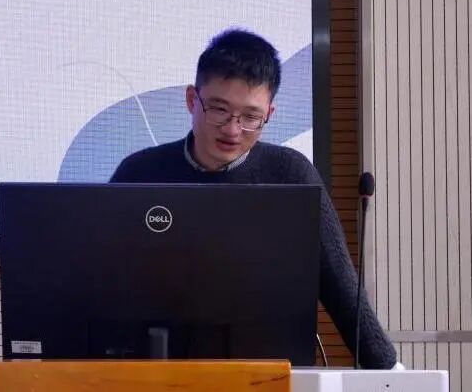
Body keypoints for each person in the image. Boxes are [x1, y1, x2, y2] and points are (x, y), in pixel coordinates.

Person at [110, 28, 397, 369]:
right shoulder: (139, 172)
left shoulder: (290, 175)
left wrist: (391, 371)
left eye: (250, 117)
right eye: (219, 110)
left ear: (269, 115)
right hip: (153, 373)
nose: (233, 130)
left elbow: (341, 286)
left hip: (264, 373)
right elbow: (101, 284)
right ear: (191, 100)